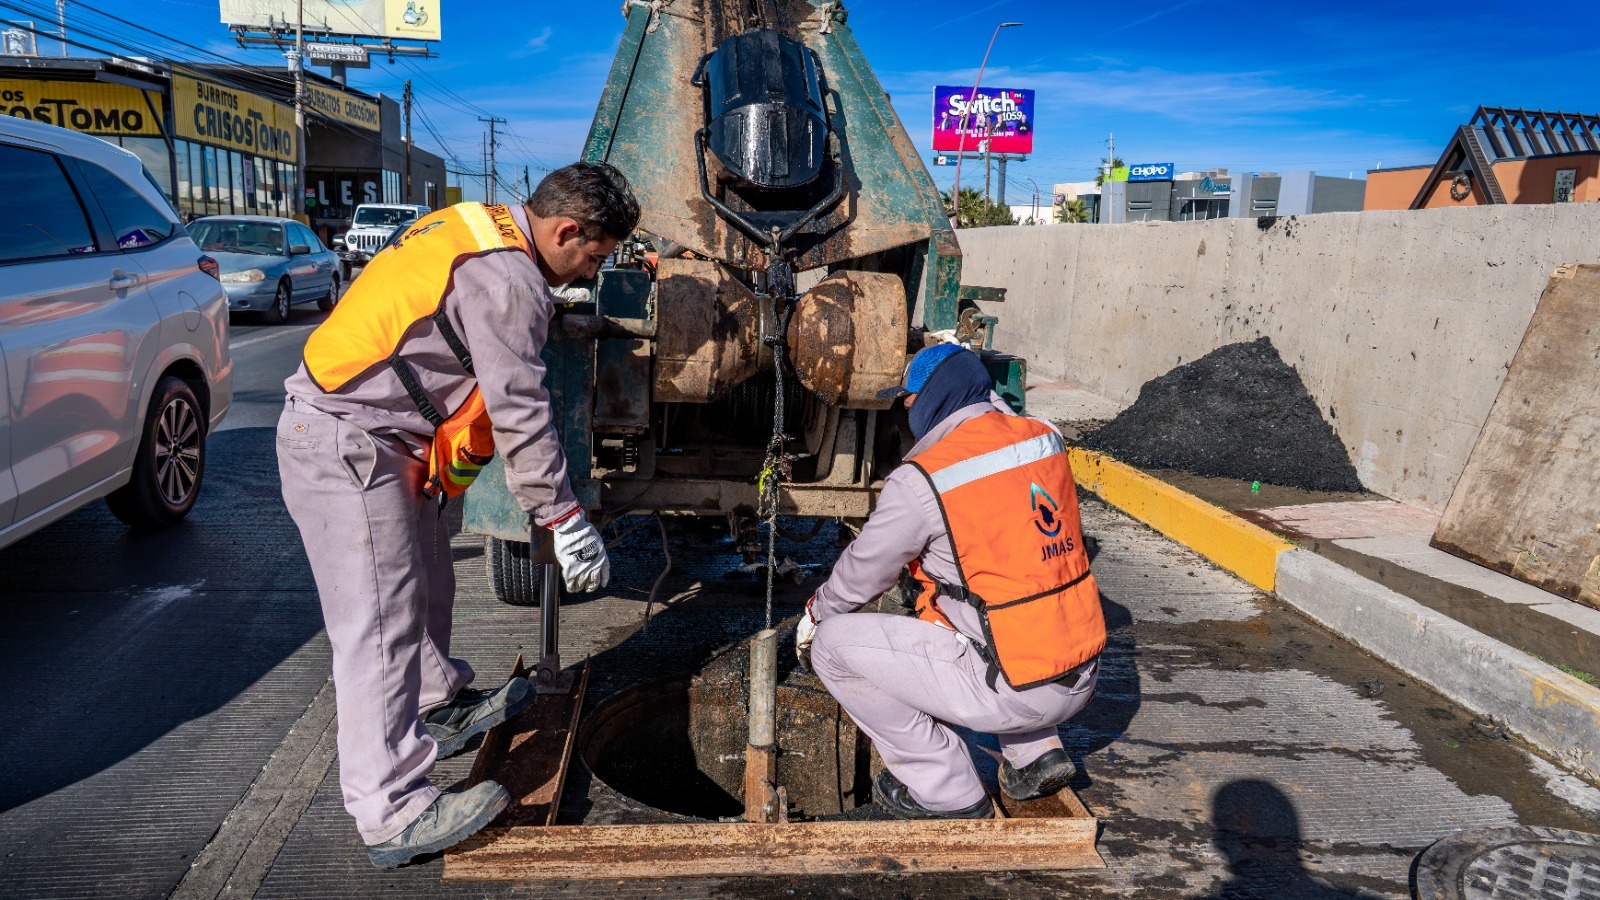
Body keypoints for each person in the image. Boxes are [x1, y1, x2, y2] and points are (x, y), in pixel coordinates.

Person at [276, 162, 640, 867]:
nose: (587, 273)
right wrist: (562, 517)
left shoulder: (481, 228)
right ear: (566, 229)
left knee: (426, 582)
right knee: (377, 628)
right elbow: (520, 412)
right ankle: (392, 810)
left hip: (376, 434)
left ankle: (438, 701)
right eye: (591, 257)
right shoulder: (509, 282)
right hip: (352, 441)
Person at [795, 344, 1106, 819]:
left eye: (909, 400)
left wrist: (817, 613)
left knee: (832, 649)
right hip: (1081, 673)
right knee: (996, 588)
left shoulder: (923, 480)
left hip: (1014, 690)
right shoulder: (1045, 439)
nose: (907, 411)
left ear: (934, 398)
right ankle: (1034, 753)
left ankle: (948, 792)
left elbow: (866, 570)